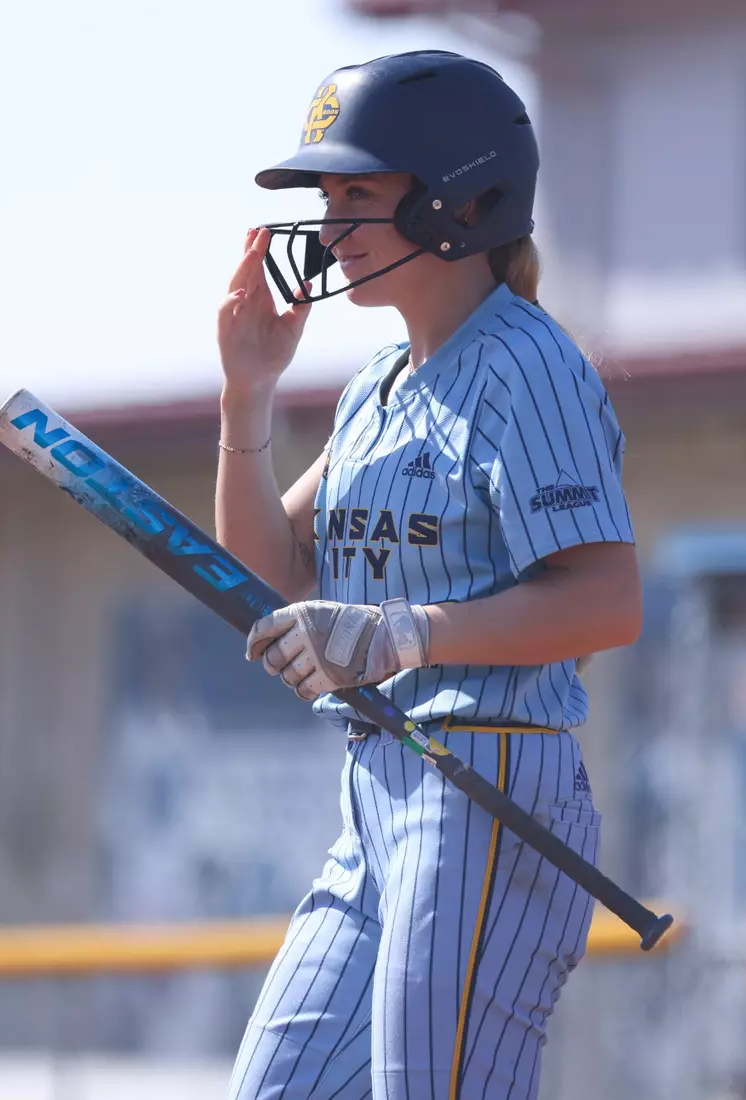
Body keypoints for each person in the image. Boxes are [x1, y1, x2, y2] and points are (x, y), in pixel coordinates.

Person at [214, 50, 641, 1100]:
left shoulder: (528, 363)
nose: (330, 222)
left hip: (487, 785)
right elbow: (269, 572)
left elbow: (607, 598)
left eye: (358, 192)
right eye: (328, 196)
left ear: (461, 199)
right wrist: (246, 396)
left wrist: (409, 632)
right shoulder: (378, 386)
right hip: (378, 790)